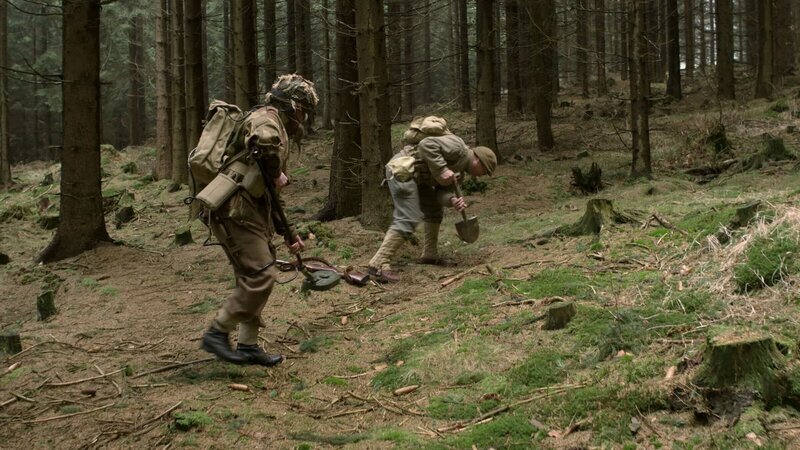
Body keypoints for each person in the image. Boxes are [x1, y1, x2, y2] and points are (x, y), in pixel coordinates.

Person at [200, 74, 318, 366]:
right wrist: (276, 170)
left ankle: (248, 345)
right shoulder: (268, 119)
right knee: (261, 274)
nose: (303, 117)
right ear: (292, 105)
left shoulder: (274, 122)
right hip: (235, 210)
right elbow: (265, 143)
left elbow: (271, 192)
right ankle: (217, 332)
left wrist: (289, 234)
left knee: (255, 274)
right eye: (303, 109)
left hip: (252, 210)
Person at [367, 116, 497, 283]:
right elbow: (426, 145)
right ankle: (378, 263)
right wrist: (442, 169)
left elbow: (441, 194)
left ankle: (430, 254)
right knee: (408, 217)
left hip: (419, 179)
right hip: (402, 170)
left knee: (434, 210)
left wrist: (451, 201)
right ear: (478, 160)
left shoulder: (460, 173)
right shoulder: (457, 147)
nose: (482, 175)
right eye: (484, 171)